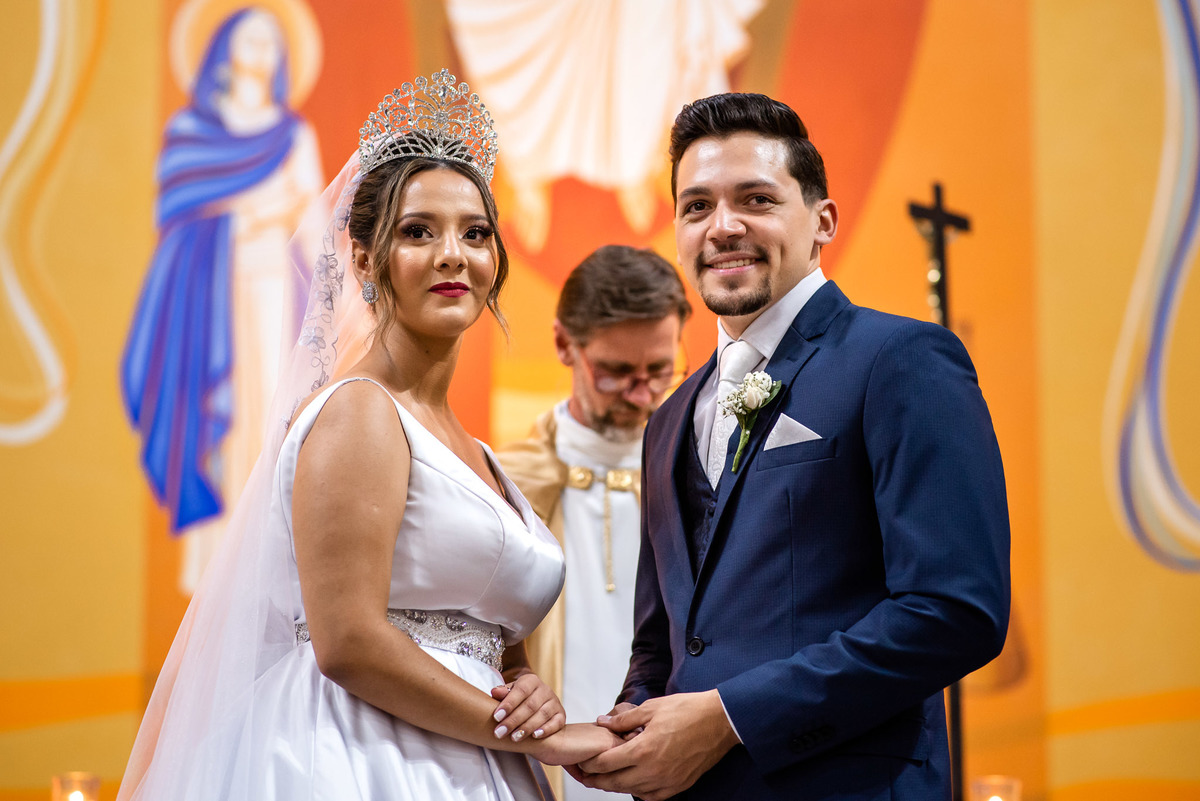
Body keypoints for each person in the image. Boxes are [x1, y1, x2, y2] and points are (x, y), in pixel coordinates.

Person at [117, 69, 617, 801]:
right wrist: (544, 735)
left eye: (475, 233)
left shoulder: (475, 452)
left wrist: (523, 686)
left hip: (477, 760)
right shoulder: (357, 410)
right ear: (362, 259)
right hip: (353, 755)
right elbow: (347, 641)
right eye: (419, 231)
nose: (454, 254)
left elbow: (484, 636)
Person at [570, 92, 1011, 799]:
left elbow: (954, 612)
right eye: (696, 206)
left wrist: (729, 718)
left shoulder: (901, 360)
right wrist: (632, 721)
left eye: (756, 198)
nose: (724, 227)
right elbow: (663, 641)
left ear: (822, 221)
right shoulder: (669, 417)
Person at [119, 7, 324, 592]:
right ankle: (215, 560)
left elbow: (311, 229)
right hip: (207, 304)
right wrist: (251, 215)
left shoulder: (294, 136)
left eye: (271, 42)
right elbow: (177, 218)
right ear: (224, 49)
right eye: (249, 39)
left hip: (272, 299)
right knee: (221, 417)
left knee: (269, 416)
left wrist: (348, 301)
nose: (260, 51)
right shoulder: (191, 131)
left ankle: (266, 556)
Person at [496, 245, 691, 799]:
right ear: (564, 344)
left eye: (660, 371)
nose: (642, 393)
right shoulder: (505, 479)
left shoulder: (702, 472)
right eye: (615, 373)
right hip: (544, 758)